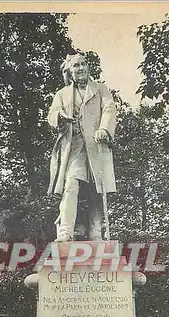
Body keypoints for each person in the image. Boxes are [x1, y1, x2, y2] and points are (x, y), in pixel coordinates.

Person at [47, 53, 117, 242]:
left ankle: (96, 233)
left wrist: (104, 128)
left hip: (96, 144)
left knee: (97, 190)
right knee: (71, 184)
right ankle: (65, 232)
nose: (81, 68)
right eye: (76, 65)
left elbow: (109, 109)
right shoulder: (62, 94)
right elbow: (52, 114)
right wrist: (60, 117)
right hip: (74, 146)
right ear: (70, 72)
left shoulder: (101, 89)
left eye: (84, 64)